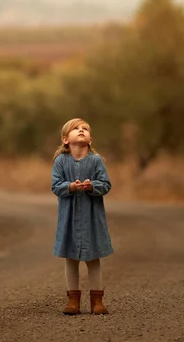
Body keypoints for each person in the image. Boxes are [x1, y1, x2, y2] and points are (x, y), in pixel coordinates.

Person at [51, 118, 113, 316]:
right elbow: (55, 186)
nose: (81, 131)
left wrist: (92, 186)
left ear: (90, 139)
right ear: (65, 139)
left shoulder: (96, 161)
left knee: (93, 258)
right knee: (71, 258)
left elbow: (106, 184)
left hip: (91, 218)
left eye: (85, 129)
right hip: (68, 218)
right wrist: (70, 187)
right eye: (75, 129)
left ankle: (97, 300)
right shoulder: (61, 161)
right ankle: (73, 300)